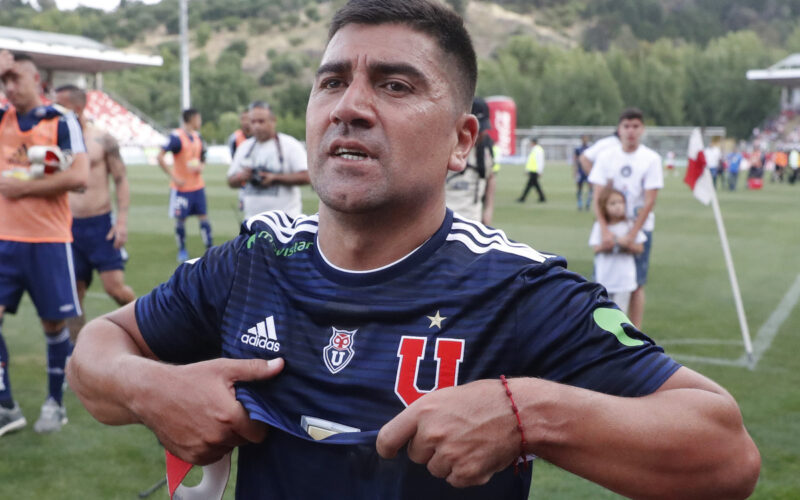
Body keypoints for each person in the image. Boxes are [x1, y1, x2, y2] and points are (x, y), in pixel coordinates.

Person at [67, 2, 760, 499]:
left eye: (395, 85)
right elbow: (96, 352)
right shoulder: (253, 259)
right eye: (333, 81)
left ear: (463, 141)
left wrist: (528, 414)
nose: (351, 106)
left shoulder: (514, 287)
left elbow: (726, 455)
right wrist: (152, 387)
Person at [0, 51, 89, 436]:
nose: (9, 87)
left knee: (54, 325)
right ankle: (6, 405)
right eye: (3, 80)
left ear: (36, 79)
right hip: (3, 239)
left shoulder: (60, 120)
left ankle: (55, 402)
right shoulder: (1, 118)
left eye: (15, 78)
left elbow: (80, 177)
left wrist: (23, 189)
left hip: (48, 240)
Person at [54, 85, 135, 342]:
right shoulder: (54, 140)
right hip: (69, 227)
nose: (53, 110)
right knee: (74, 296)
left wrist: (120, 222)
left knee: (115, 288)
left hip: (101, 225)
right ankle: (77, 356)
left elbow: (121, 180)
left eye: (59, 105)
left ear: (76, 108)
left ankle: (148, 332)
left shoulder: (102, 139)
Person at [589, 108, 662, 330]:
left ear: (642, 129)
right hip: (609, 227)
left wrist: (632, 234)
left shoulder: (651, 159)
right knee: (602, 281)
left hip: (638, 228)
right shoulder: (606, 157)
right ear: (619, 129)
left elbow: (649, 200)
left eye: (635, 126)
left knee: (636, 283)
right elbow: (597, 196)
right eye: (626, 126)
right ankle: (600, 330)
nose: (631, 131)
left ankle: (635, 333)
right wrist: (605, 229)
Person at [226, 101, 310, 219]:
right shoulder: (244, 147)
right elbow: (231, 180)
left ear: (273, 120)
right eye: (253, 122)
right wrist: (243, 176)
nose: (256, 126)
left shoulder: (290, 144)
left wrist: (275, 178)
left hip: (286, 222)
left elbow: (307, 176)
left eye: (261, 121)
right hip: (252, 222)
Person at [157, 108, 212, 262]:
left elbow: (204, 155)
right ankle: (182, 250)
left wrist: (202, 165)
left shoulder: (198, 137)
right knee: (180, 220)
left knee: (204, 218)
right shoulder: (177, 138)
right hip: (181, 189)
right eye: (198, 119)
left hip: (198, 186)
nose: (200, 122)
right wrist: (174, 176)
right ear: (192, 119)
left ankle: (210, 248)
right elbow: (160, 156)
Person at [589, 187, 646, 315]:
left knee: (620, 315)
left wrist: (626, 245)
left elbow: (640, 247)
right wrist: (613, 242)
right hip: (605, 279)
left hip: (624, 280)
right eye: (613, 203)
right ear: (604, 206)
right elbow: (596, 248)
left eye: (621, 202)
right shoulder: (600, 226)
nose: (618, 206)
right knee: (604, 315)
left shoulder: (630, 225)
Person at [445, 96, 496, 224]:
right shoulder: (443, 147)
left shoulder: (485, 150)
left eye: (482, 129)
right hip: (443, 225)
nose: (480, 134)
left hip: (473, 223)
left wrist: (488, 210)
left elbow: (491, 176)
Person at [516, 137, 546, 203]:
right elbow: (530, 161)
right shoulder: (534, 149)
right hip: (532, 170)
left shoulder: (538, 150)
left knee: (530, 185)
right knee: (535, 185)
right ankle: (542, 198)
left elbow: (540, 161)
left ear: (533, 142)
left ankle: (523, 198)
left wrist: (540, 171)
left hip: (535, 171)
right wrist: (527, 170)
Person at [573, 135, 591, 210]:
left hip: (588, 171)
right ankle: (580, 203)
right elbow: (575, 161)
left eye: (586, 138)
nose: (585, 140)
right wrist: (575, 171)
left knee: (590, 187)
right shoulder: (578, 149)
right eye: (583, 138)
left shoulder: (590, 148)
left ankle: (588, 202)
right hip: (580, 171)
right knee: (579, 187)